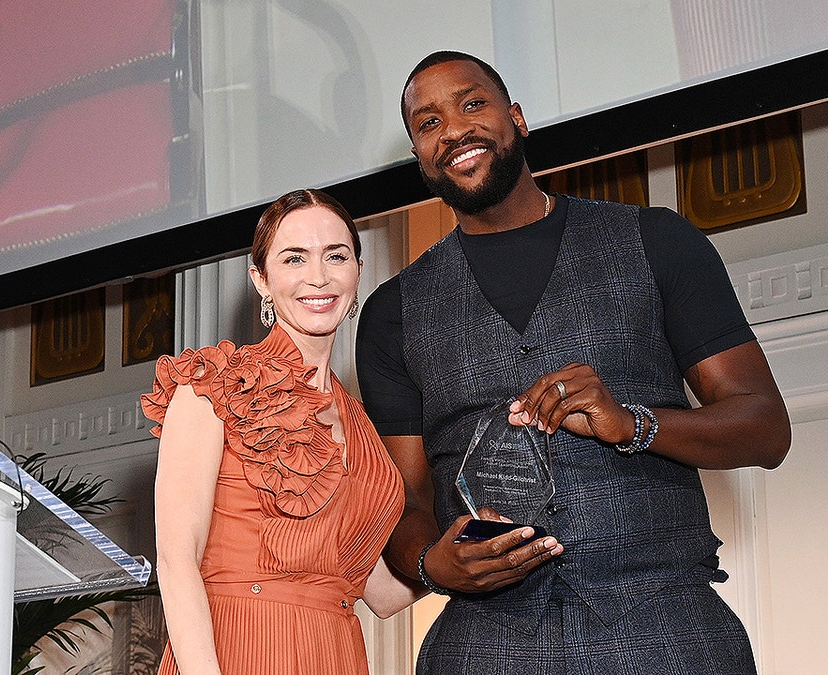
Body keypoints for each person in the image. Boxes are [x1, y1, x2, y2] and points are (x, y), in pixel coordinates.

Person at [355, 51, 792, 674]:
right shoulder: (393, 312)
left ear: (517, 118)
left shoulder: (656, 242)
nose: (453, 130)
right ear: (419, 157)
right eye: (428, 124)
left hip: (665, 634)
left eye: (472, 104)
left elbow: (766, 428)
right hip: (484, 650)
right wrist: (432, 563)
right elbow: (400, 499)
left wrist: (633, 423)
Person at [142, 189, 424, 675]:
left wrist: (474, 554)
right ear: (262, 280)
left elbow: (380, 592)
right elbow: (176, 560)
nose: (319, 276)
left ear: (357, 271)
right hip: (237, 652)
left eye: (336, 256)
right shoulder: (214, 386)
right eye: (294, 258)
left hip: (336, 655)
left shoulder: (365, 430)